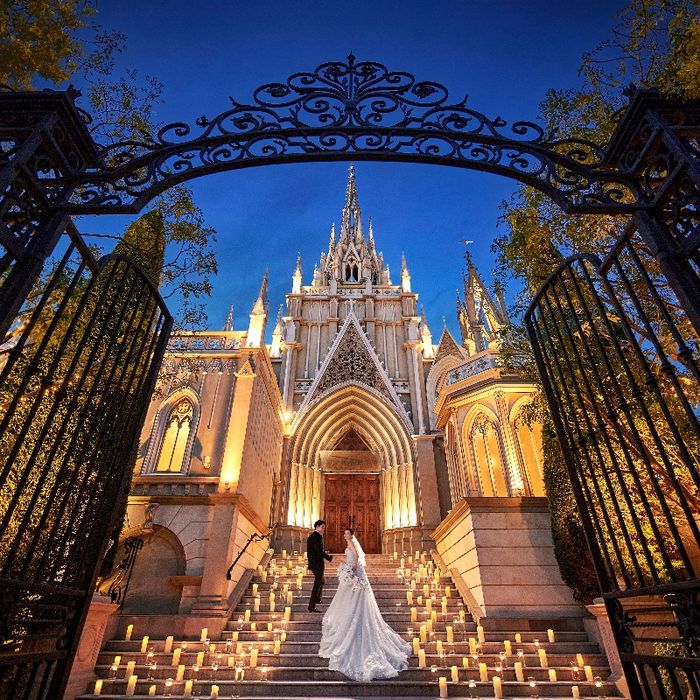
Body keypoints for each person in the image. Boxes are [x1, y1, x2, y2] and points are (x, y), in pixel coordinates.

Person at [318, 528, 411, 681]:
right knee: (353, 599)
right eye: (345, 533)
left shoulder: (351, 544)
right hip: (355, 573)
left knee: (356, 598)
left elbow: (355, 557)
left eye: (347, 533)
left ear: (351, 535)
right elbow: (354, 557)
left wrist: (351, 570)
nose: (345, 535)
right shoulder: (349, 544)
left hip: (355, 573)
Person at [306, 519, 333, 612]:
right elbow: (318, 550)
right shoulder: (316, 536)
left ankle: (317, 598)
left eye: (324, 527)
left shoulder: (313, 536)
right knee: (317, 584)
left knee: (321, 581)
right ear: (317, 526)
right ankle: (311, 606)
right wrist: (328, 557)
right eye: (322, 527)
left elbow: (315, 550)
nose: (324, 529)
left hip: (314, 563)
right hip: (317, 564)